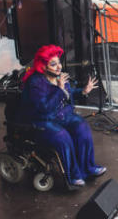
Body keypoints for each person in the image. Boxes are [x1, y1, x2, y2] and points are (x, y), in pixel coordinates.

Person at [17, 44, 104, 187]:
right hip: (43, 120)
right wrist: (59, 89)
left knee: (82, 127)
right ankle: (74, 176)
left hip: (62, 115)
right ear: (43, 67)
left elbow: (67, 93)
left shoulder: (59, 77)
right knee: (63, 137)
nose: (59, 67)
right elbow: (44, 108)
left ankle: (88, 168)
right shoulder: (35, 83)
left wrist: (83, 91)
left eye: (58, 63)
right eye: (53, 64)